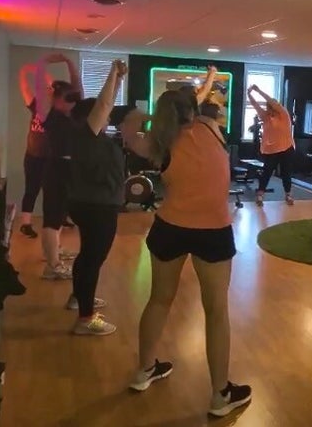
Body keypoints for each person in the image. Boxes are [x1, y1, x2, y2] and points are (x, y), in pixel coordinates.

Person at [128, 67, 252, 418]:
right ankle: (220, 395)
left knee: (159, 299)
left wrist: (152, 117)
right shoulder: (211, 127)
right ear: (192, 110)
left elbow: (128, 128)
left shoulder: (158, 142)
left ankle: (144, 371)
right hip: (213, 231)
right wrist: (205, 85)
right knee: (216, 311)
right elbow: (195, 105)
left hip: (170, 227)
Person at [66, 59, 129, 335]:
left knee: (87, 256)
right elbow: (103, 106)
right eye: (102, 114)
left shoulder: (90, 137)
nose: (107, 116)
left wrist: (119, 81)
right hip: (97, 206)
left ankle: (79, 298)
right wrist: (112, 73)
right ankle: (85, 318)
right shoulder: (86, 136)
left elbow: (106, 106)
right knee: (93, 260)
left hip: (90, 203)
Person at [17, 53, 77, 238]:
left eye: (50, 90)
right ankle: (26, 223)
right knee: (32, 189)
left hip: (51, 157)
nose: (46, 91)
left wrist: (43, 71)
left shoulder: (57, 111)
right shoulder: (36, 105)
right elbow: (25, 87)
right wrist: (25, 71)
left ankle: (61, 218)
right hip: (34, 155)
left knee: (56, 192)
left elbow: (53, 85)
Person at [40, 64, 82, 280]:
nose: (74, 102)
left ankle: (54, 252)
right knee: (52, 218)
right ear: (57, 100)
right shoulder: (51, 116)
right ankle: (52, 266)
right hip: (57, 169)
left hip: (67, 169)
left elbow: (77, 91)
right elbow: (43, 91)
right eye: (69, 98)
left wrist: (70, 65)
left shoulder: (69, 116)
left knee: (59, 216)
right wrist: (45, 62)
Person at [247, 84, 295, 205]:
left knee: (286, 173)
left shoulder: (284, 114)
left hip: (286, 147)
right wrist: (249, 94)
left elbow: (270, 100)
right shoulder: (265, 117)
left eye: (271, 106)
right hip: (272, 150)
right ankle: (260, 195)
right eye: (268, 107)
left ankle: (288, 195)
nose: (269, 109)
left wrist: (258, 90)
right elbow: (255, 105)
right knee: (267, 172)